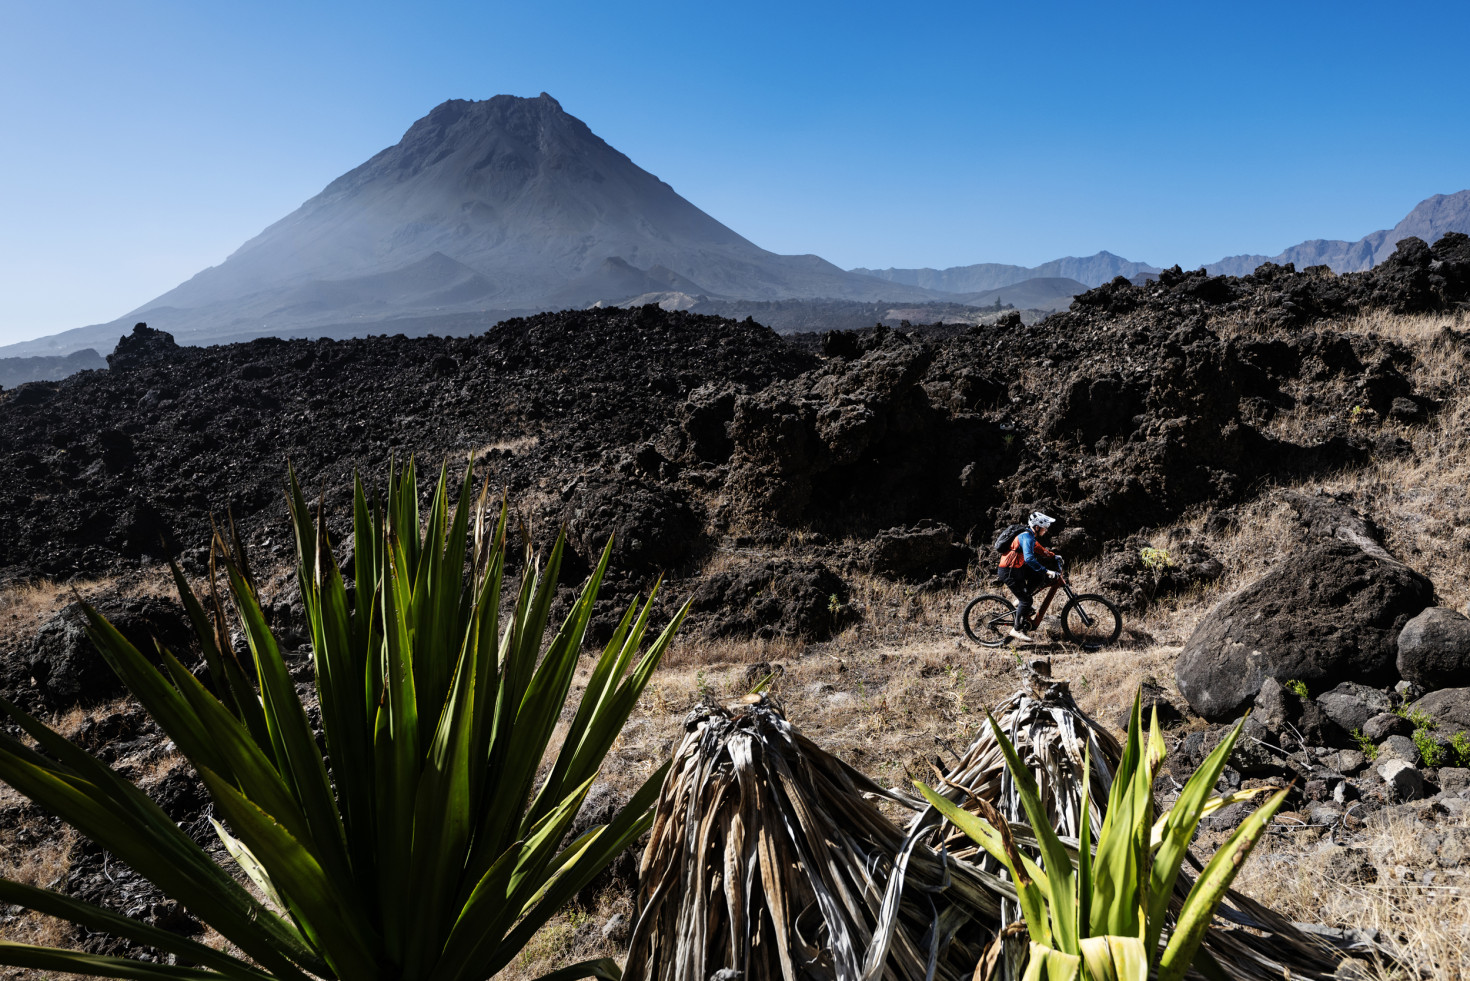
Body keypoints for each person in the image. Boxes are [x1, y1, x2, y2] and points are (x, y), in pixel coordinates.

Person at [997, 511, 1059, 643]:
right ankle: (1016, 630)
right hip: (1008, 571)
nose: (1046, 530)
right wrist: (1047, 570)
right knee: (1027, 601)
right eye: (1045, 527)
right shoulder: (1026, 536)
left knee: (1038, 577)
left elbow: (1039, 549)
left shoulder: (1029, 535)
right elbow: (1029, 559)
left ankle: (1020, 601)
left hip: (1016, 568)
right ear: (1037, 527)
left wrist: (1053, 556)